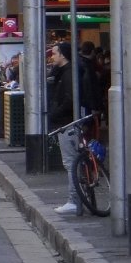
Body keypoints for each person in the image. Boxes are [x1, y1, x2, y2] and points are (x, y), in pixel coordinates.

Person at [47, 42, 82, 215]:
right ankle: (76, 199)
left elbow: (68, 100)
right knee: (72, 162)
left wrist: (54, 114)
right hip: (68, 122)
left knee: (70, 163)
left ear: (62, 55)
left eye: (54, 53)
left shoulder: (67, 75)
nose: (52, 57)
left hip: (67, 123)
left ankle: (73, 200)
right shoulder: (65, 72)